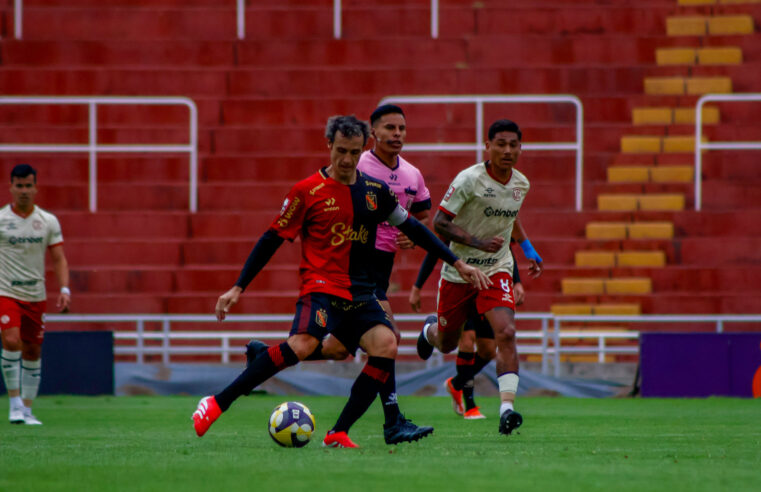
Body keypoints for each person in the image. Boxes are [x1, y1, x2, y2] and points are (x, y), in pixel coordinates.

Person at [192, 115, 490, 448]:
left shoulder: (375, 192)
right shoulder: (307, 191)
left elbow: (413, 228)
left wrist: (457, 263)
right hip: (320, 286)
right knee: (303, 344)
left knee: (386, 344)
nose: (347, 160)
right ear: (329, 146)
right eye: (341, 151)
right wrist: (238, 287)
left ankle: (338, 432)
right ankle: (217, 402)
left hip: (359, 290)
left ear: (362, 149)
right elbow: (271, 238)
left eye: (353, 152)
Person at [415, 119, 543, 436]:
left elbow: (510, 216)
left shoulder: (521, 184)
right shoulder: (469, 180)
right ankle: (429, 331)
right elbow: (440, 222)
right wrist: (476, 242)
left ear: (521, 148)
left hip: (496, 269)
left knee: (506, 333)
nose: (507, 150)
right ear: (488, 146)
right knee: (447, 343)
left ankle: (506, 410)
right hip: (460, 272)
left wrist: (528, 248)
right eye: (501, 144)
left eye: (513, 144)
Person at [409, 243, 527, 420]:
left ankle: (456, 384)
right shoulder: (458, 228)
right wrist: (417, 286)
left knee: (488, 351)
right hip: (461, 284)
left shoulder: (497, 228)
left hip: (488, 284)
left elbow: (506, 248)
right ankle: (470, 406)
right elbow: (435, 246)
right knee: (465, 340)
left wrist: (516, 281)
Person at [1, 164, 71, 425]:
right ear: (11, 187)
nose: (24, 191)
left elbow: (59, 258)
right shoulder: (1, 220)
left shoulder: (48, 221)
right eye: (19, 186)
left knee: (32, 350)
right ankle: (14, 405)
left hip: (35, 294)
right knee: (11, 341)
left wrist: (64, 289)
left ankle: (27, 410)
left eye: (28, 186)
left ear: (35, 188)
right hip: (6, 291)